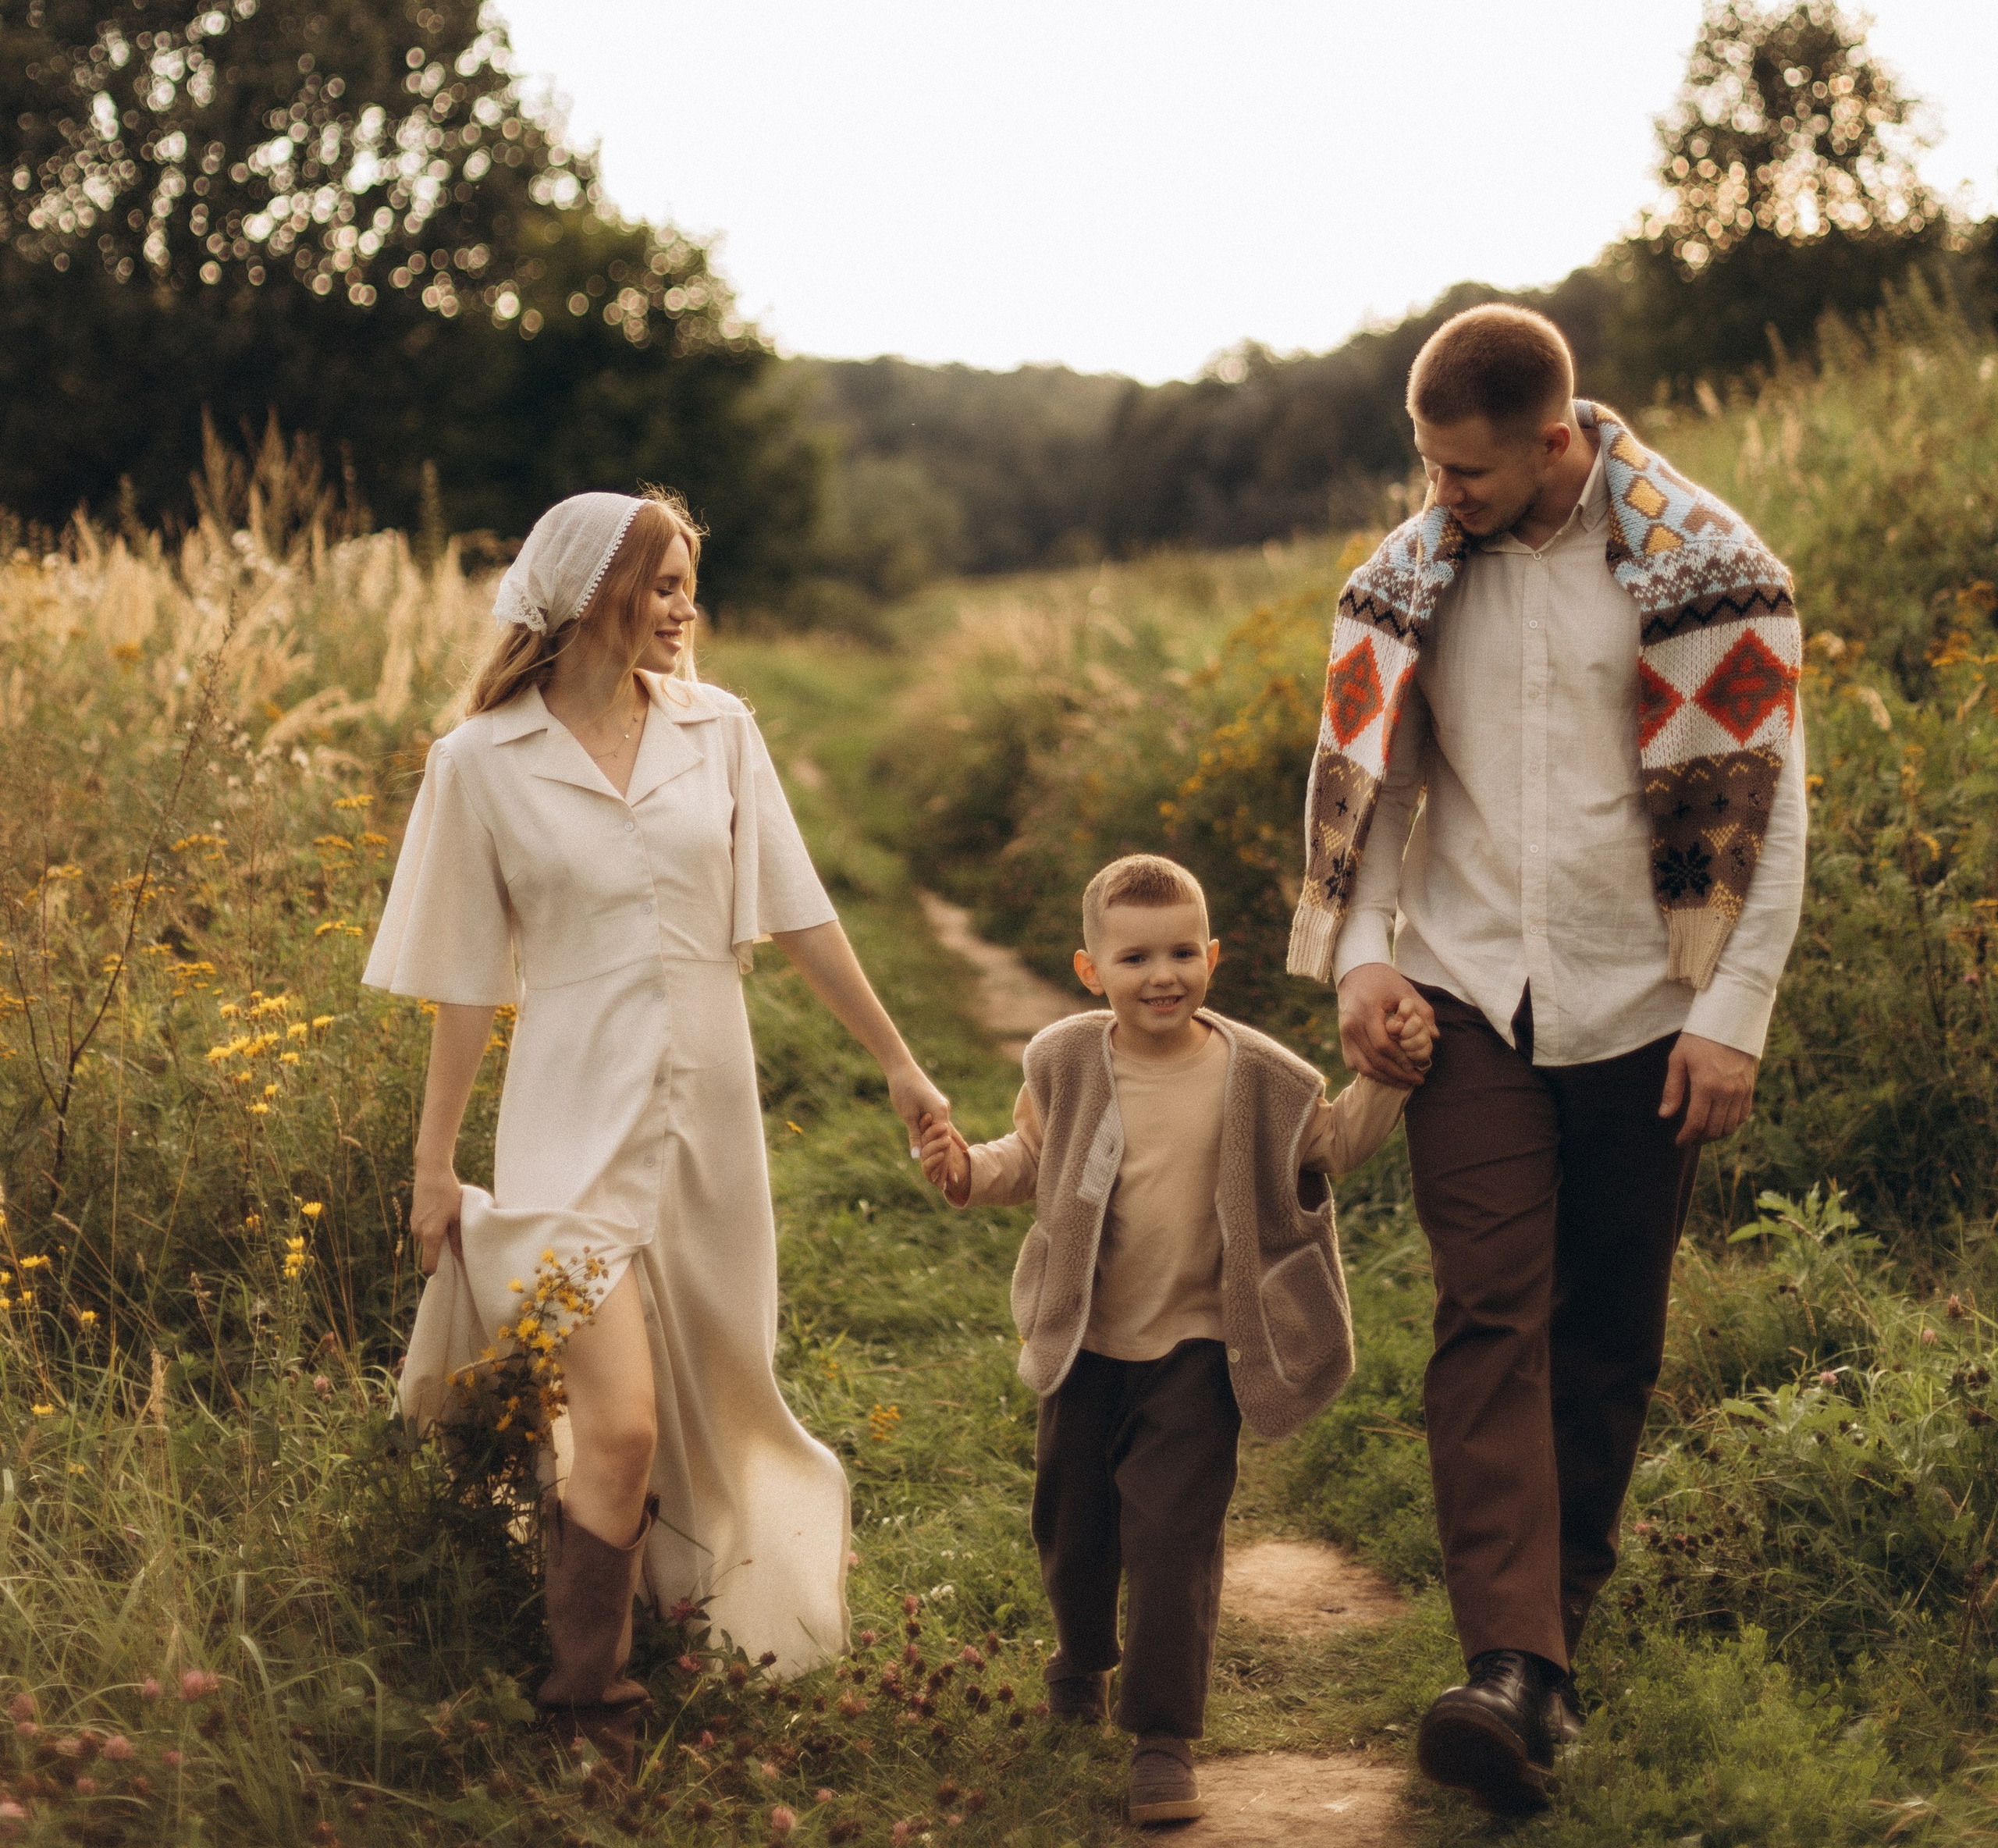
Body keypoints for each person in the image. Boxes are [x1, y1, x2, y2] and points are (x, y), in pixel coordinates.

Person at [1285, 304, 1807, 1816]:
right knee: (1486, 1313)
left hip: (1647, 999)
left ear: (1553, 440)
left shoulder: (1712, 570)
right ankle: (1502, 1664)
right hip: (1462, 997)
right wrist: (1367, 952)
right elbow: (1377, 787)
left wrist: (1731, 1016)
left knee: (1605, 1339)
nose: (1435, 493)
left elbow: (1766, 816)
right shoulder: (1402, 583)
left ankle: (1544, 1664)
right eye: (1424, 465)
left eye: (1462, 470)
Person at [364, 486, 951, 1763]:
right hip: (567, 1134)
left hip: (707, 1119)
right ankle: (593, 1710)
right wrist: (432, 1166)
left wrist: (900, 1064)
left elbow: (798, 910)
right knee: (619, 1420)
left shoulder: (718, 730)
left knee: (714, 1392)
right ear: (591, 593)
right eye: (665, 581)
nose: (687, 606)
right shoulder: (479, 763)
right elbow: (466, 980)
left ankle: (679, 1617)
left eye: (693, 580)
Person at [917, 852, 1434, 1828]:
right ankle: (1078, 1660)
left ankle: (1162, 1737)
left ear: (1214, 957)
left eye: (1182, 953)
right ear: (1090, 970)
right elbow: (1027, 1158)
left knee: (1171, 1541)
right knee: (1072, 1530)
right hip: (1087, 1343)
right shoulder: (1066, 1062)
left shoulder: (1264, 1078)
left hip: (1201, 1349)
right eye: (1135, 957)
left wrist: (1389, 1077)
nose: (1162, 975)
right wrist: (962, 1171)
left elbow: (1329, 1149)